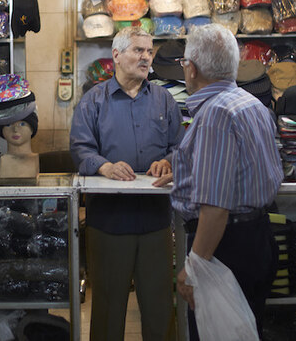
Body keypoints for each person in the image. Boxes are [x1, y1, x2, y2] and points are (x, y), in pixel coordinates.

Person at [154, 24, 283, 339]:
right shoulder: (252, 104)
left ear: (192, 68)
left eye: (184, 63)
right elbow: (243, 172)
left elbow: (216, 206)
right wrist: (189, 171)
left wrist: (195, 266)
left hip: (226, 248)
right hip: (258, 238)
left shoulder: (216, 114)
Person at [70, 27, 183, 341]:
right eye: (138, 50)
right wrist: (104, 166)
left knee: (160, 305)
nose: (146, 57)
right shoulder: (93, 101)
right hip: (109, 222)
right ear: (116, 56)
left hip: (156, 222)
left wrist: (170, 161)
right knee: (107, 306)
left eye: (149, 51)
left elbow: (179, 146)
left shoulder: (164, 100)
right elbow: (80, 148)